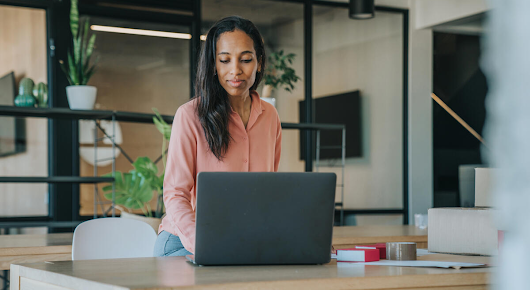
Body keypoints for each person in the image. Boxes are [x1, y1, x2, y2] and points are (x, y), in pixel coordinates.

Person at [153, 16, 282, 257]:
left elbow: (268, 190)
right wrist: (206, 245)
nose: (235, 70)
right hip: (184, 243)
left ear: (260, 63)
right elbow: (175, 194)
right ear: (214, 65)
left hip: (241, 241)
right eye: (224, 60)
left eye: (245, 59)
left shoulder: (270, 116)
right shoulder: (190, 115)